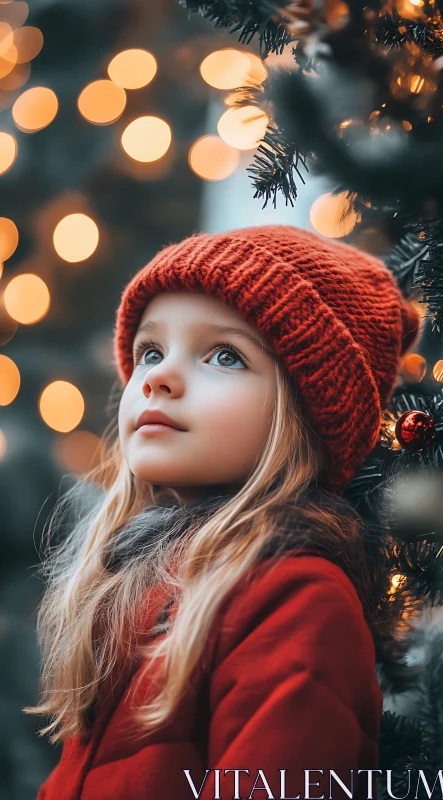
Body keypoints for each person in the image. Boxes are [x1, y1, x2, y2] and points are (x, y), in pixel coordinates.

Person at [27, 224, 421, 800]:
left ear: (305, 416)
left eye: (224, 355)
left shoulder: (296, 600)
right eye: (150, 352)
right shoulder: (128, 587)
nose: (157, 377)